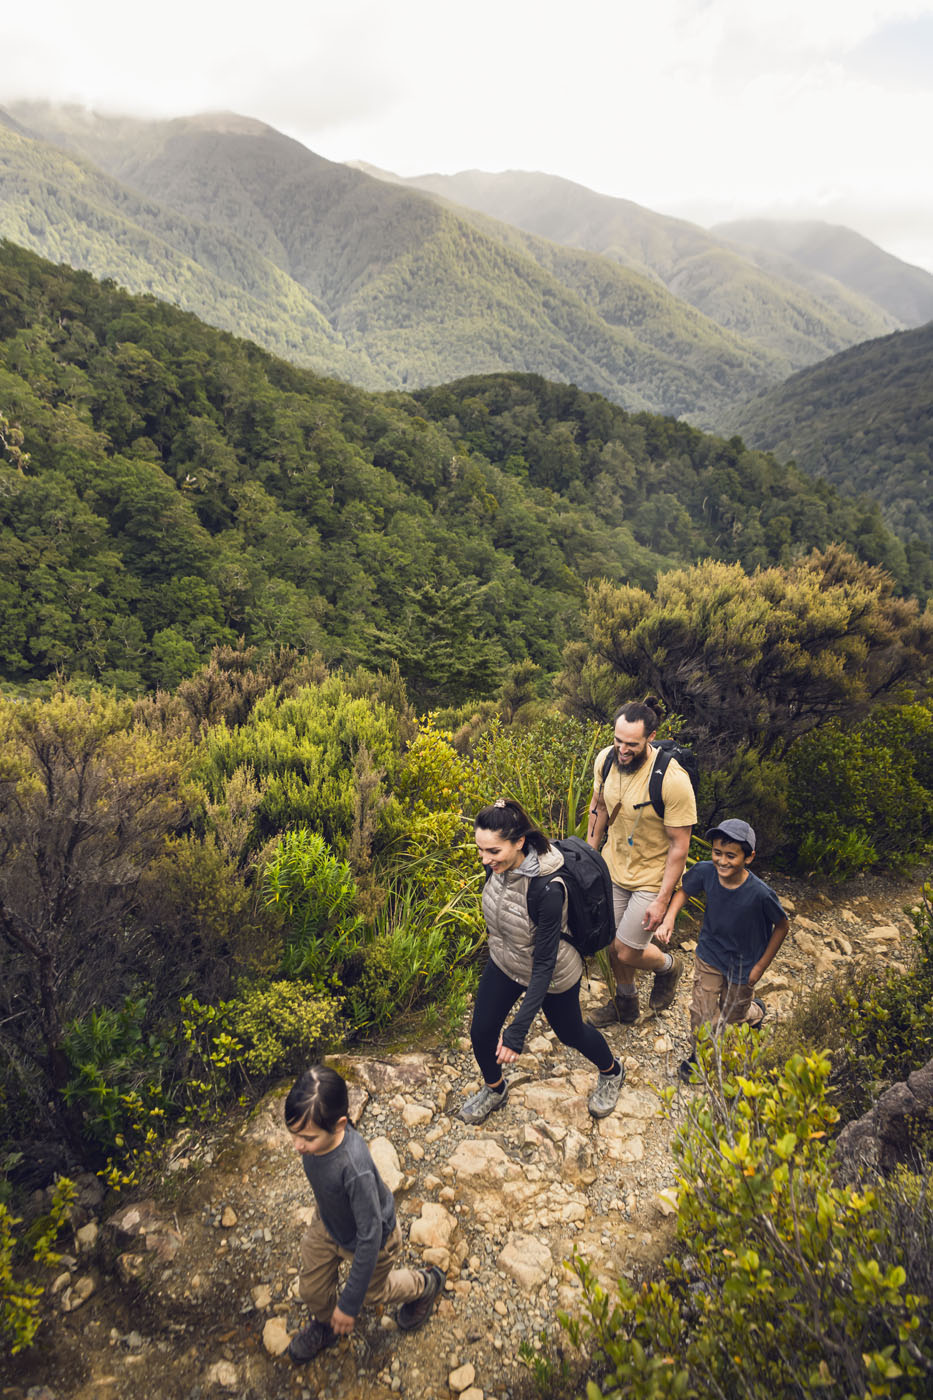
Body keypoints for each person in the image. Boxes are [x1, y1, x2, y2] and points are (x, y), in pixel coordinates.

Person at [460, 797, 626, 1125]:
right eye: (480, 850)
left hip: (552, 971)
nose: (485, 859)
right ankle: (495, 1089)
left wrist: (518, 1031)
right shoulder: (496, 864)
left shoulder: (549, 890)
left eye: (493, 851)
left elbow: (545, 964)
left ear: (519, 842)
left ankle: (612, 1071)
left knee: (571, 1033)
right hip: (507, 959)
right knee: (480, 1031)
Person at [284, 1065, 444, 1365]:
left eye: (306, 1137)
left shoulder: (353, 1168)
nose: (297, 1145)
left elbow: (370, 1236)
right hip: (328, 1224)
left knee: (373, 1294)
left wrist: (348, 1305)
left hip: (373, 1239)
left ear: (340, 1125)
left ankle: (425, 1284)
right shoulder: (314, 1143)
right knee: (311, 1288)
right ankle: (325, 1326)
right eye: (293, 1133)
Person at [586, 701, 697, 1026]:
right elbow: (598, 808)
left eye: (631, 744)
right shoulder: (606, 760)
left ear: (651, 736)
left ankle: (668, 966)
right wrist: (590, 860)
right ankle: (626, 1003)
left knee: (627, 950)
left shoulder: (672, 780)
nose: (622, 749)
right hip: (614, 868)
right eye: (618, 740)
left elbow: (680, 846)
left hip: (653, 877)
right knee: (608, 942)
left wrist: (663, 901)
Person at [655, 818, 790, 1083]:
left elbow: (782, 926)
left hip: (744, 965)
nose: (722, 861)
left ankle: (756, 1012)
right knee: (702, 1011)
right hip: (710, 954)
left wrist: (760, 967)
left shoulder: (760, 893)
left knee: (733, 1016)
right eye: (717, 853)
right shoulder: (706, 871)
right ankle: (700, 1058)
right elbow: (684, 891)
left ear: (748, 857)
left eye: (731, 855)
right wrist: (670, 917)